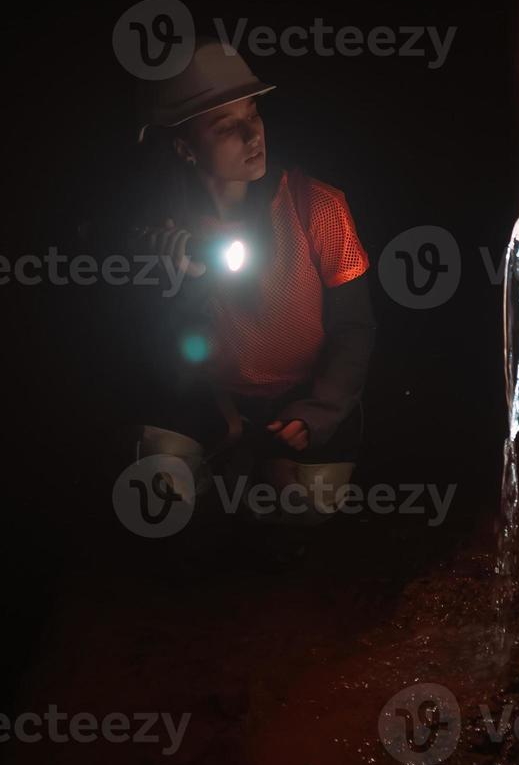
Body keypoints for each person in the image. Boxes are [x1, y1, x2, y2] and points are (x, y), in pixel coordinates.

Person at [129, 39, 376, 523]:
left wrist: (317, 412)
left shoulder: (317, 207)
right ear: (184, 146)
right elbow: (161, 357)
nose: (252, 135)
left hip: (299, 398)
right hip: (214, 396)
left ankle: (272, 478)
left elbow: (355, 328)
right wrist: (180, 285)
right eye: (227, 128)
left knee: (304, 505)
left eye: (254, 114)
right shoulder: (165, 234)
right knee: (159, 482)